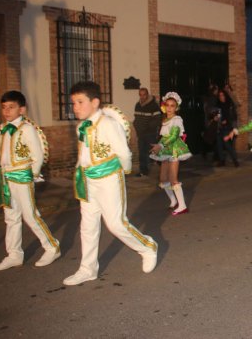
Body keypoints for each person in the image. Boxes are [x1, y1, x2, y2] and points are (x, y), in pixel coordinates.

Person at [63, 81, 158, 286]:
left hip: (108, 180)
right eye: (74, 103)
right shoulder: (81, 126)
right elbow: (83, 154)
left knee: (116, 224)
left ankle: (147, 246)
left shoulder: (108, 124)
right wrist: (80, 173)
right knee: (87, 226)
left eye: (80, 102)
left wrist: (121, 174)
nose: (75, 107)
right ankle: (87, 269)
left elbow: (124, 153)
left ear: (95, 102)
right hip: (88, 181)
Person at [0, 91, 60, 271]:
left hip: (22, 176)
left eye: (11, 107)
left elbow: (37, 155)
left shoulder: (27, 129)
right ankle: (14, 254)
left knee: (30, 215)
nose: (7, 111)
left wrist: (33, 174)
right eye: (4, 107)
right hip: (6, 176)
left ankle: (52, 247)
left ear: (21, 109)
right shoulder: (1, 128)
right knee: (11, 217)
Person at [150, 92, 192, 215]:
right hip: (165, 149)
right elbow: (164, 136)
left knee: (173, 179)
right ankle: (173, 201)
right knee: (163, 179)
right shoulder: (165, 119)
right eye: (167, 105)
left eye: (172, 105)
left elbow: (174, 136)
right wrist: (159, 145)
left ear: (176, 107)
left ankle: (182, 206)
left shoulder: (177, 119)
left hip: (174, 149)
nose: (169, 108)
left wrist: (160, 145)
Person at [133, 88, 160, 177]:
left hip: (150, 133)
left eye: (144, 94)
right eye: (140, 94)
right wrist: (136, 127)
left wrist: (147, 128)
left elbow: (156, 119)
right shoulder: (137, 105)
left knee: (149, 152)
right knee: (141, 152)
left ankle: (157, 166)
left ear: (147, 94)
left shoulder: (154, 105)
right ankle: (143, 171)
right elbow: (136, 118)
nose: (142, 96)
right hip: (141, 134)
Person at [215, 89, 239, 167]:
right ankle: (222, 161)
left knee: (227, 144)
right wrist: (215, 118)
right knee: (219, 145)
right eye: (220, 96)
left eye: (223, 95)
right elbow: (214, 115)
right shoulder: (218, 105)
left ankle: (235, 160)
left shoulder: (230, 105)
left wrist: (227, 121)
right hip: (219, 127)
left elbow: (234, 116)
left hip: (227, 127)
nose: (221, 97)